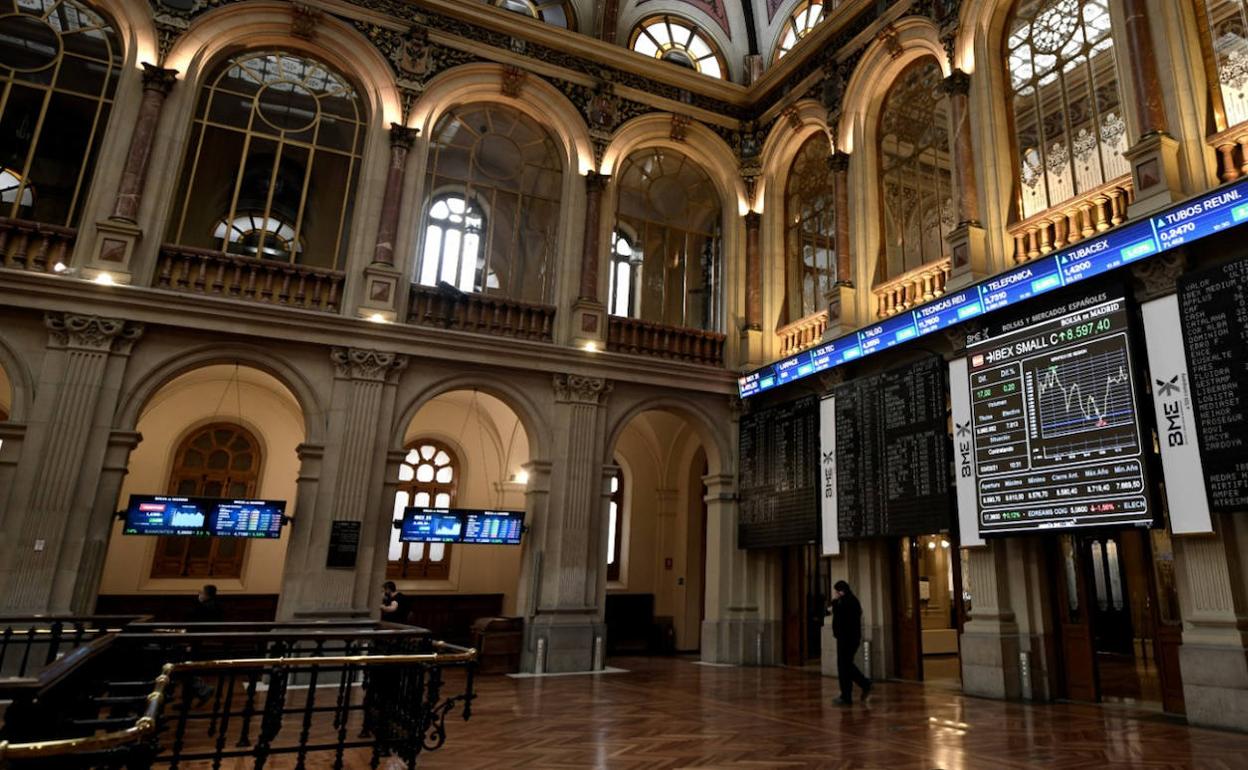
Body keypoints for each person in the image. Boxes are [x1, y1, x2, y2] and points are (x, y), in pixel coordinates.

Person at [830, 579, 871, 705]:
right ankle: (852, 691)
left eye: (836, 591)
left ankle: (853, 691)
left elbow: (842, 617)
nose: (835, 594)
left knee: (844, 666)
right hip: (848, 639)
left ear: (841, 591)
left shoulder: (847, 602)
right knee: (846, 666)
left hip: (846, 639)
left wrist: (835, 605)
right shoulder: (850, 601)